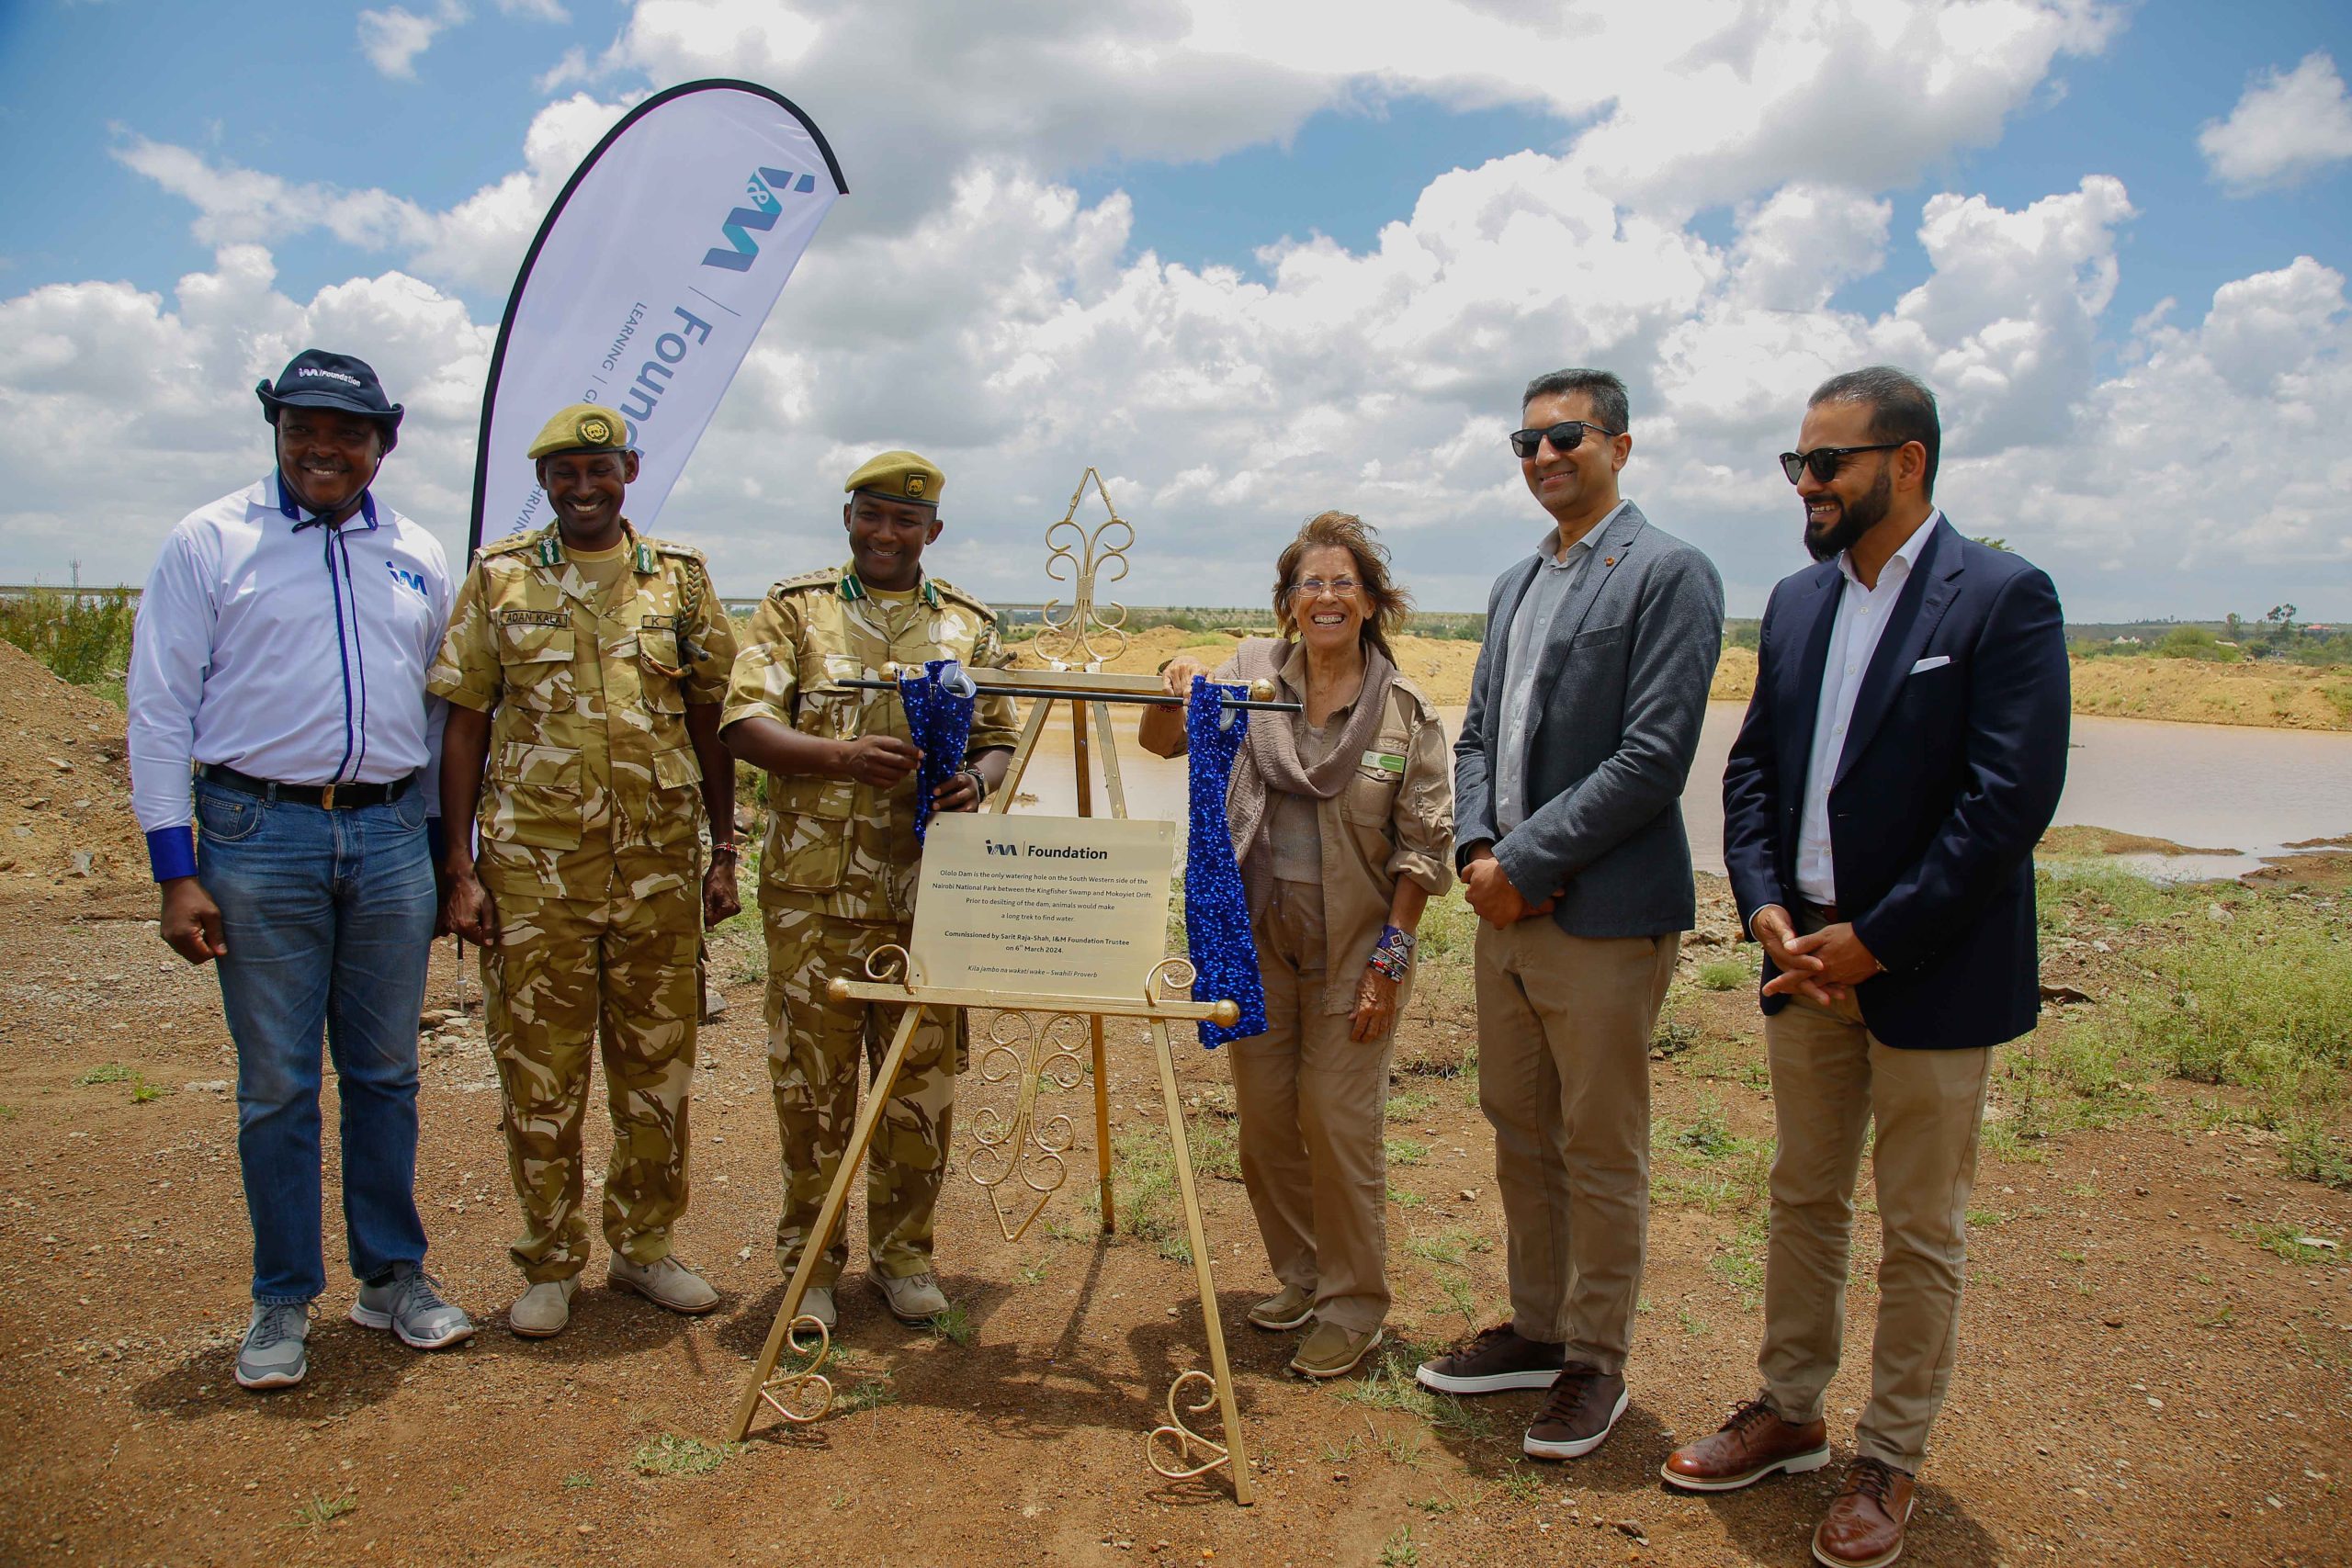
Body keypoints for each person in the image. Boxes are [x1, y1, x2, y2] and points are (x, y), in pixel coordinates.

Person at [1667, 367, 2068, 1568]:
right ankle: (1788, 1406)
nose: (1807, 482)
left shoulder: (2003, 596)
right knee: (1801, 1190)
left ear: (1908, 463)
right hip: (1805, 957)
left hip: (1930, 966)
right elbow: (1752, 775)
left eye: (1827, 461)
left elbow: (2007, 803)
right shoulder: (1795, 601)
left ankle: (1887, 1453)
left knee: (1920, 1222)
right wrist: (1768, 907)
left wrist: (1879, 936)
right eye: (1797, 462)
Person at [126, 349, 476, 1391]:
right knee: (277, 1083)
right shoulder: (210, 541)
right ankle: (282, 1298)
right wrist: (172, 868)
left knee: (386, 1074)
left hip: (385, 839)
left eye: (347, 432)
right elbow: (159, 709)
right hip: (254, 832)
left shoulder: (415, 553)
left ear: (386, 440)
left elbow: (441, 712)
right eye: (302, 428)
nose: (323, 449)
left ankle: (391, 1278)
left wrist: (445, 854)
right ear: (275, 429)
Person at [1415, 368, 1724, 1463]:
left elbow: (1653, 757)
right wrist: (1478, 851)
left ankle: (1596, 1361)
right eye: (1526, 441)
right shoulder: (1514, 584)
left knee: (1599, 1144)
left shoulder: (1669, 573)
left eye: (1566, 437)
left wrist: (1531, 860)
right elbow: (1476, 736)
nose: (1545, 457)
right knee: (1518, 1130)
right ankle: (1538, 1329)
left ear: (1620, 447)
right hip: (1506, 907)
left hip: (1602, 912)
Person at [429, 403, 741, 1337]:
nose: (581, 486)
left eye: (597, 469)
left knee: (657, 1072)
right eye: (563, 471)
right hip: (533, 874)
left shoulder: (680, 584)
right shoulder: (501, 579)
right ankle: (549, 1261)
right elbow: (466, 719)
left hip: (656, 872)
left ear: (628, 473)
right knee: (539, 1072)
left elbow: (710, 717)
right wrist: (461, 863)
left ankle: (645, 1248)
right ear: (548, 482)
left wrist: (725, 852)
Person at [1143, 513, 1453, 1380]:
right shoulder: (1245, 674)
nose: (1326, 597)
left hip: (1359, 951)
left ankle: (1356, 1306)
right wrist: (1177, 683)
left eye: (1342, 582)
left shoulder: (1401, 711)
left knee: (1337, 1122)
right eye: (1309, 583)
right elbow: (1164, 742)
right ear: (1287, 603)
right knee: (1266, 1124)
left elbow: (1425, 851)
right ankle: (1303, 1275)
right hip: (1257, 947)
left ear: (1370, 601)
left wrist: (1390, 965)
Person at [720, 451, 1020, 1331]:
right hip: (816, 899)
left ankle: (905, 1256)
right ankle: (810, 1264)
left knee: (918, 1093)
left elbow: (998, 733)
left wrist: (979, 779)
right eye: (870, 515)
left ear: (933, 531)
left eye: (904, 520)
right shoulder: (794, 610)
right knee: (811, 1093)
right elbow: (744, 724)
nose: (885, 533)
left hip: (932, 898)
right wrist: (840, 757)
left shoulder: (971, 625)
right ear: (847, 517)